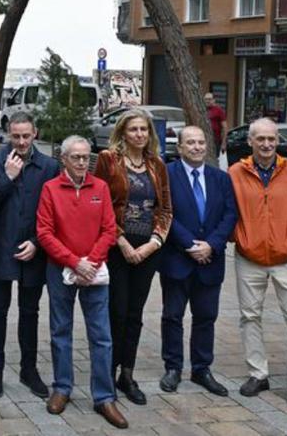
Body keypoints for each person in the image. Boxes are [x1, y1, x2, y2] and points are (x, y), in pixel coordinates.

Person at [228, 117, 287, 415]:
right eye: (260, 139)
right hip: (249, 257)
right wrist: (238, 237)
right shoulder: (235, 173)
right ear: (250, 141)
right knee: (250, 316)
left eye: (271, 139)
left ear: (278, 141)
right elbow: (227, 211)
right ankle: (258, 374)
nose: (266, 144)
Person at [37, 136, 126, 429]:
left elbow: (109, 229)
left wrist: (91, 262)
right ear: (63, 159)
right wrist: (74, 262)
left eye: (86, 157)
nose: (81, 163)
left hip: (95, 270)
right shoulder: (51, 189)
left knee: (101, 335)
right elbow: (45, 232)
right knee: (60, 330)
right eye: (75, 157)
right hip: (61, 270)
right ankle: (62, 388)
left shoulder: (99, 187)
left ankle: (104, 396)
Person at [92, 107, 172, 406]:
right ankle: (107, 375)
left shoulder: (157, 165)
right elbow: (98, 203)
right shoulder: (108, 160)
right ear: (122, 132)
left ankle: (127, 374)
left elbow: (165, 209)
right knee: (117, 312)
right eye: (133, 129)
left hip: (148, 250)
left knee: (135, 315)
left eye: (144, 130)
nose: (139, 134)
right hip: (117, 249)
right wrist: (121, 241)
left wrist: (154, 243)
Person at [0, 111, 59, 399]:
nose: (21, 142)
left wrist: (38, 242)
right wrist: (8, 177)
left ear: (35, 133)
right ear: (7, 135)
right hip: (1, 247)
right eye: (16, 136)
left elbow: (54, 211)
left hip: (34, 249)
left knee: (30, 311)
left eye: (26, 136)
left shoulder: (49, 166)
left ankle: (29, 369)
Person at [159, 126, 238, 397]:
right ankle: (173, 367)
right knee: (172, 316)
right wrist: (189, 244)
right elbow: (164, 213)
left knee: (206, 317)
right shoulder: (166, 175)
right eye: (190, 143)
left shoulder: (220, 178)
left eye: (201, 142)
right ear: (179, 147)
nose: (196, 147)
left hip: (210, 260)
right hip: (177, 258)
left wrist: (212, 245)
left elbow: (230, 214)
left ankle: (201, 369)